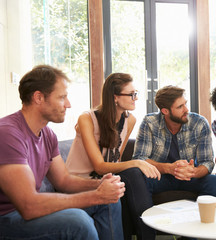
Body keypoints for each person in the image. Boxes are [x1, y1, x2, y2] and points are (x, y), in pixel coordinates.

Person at [0, 65, 125, 240]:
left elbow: (64, 180)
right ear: (39, 97)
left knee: (109, 202)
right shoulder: (7, 133)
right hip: (7, 218)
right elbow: (28, 206)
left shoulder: (47, 134)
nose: (68, 104)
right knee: (78, 222)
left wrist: (100, 185)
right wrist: (95, 196)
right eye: (62, 97)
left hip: (27, 210)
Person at [66, 73, 160, 240]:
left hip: (106, 179)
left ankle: (146, 236)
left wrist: (134, 166)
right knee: (132, 172)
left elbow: (115, 161)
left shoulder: (130, 121)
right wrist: (137, 162)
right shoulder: (87, 119)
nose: (135, 98)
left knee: (131, 176)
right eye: (131, 94)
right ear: (115, 97)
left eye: (135, 93)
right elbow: (100, 166)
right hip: (80, 182)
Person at [133, 85, 216, 198]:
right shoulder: (149, 123)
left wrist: (193, 172)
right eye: (180, 106)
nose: (186, 109)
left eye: (185, 103)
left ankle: (197, 214)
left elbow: (207, 162)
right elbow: (140, 158)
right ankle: (146, 216)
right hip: (161, 176)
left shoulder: (199, 123)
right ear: (165, 111)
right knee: (136, 180)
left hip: (189, 176)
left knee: (215, 182)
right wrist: (169, 168)